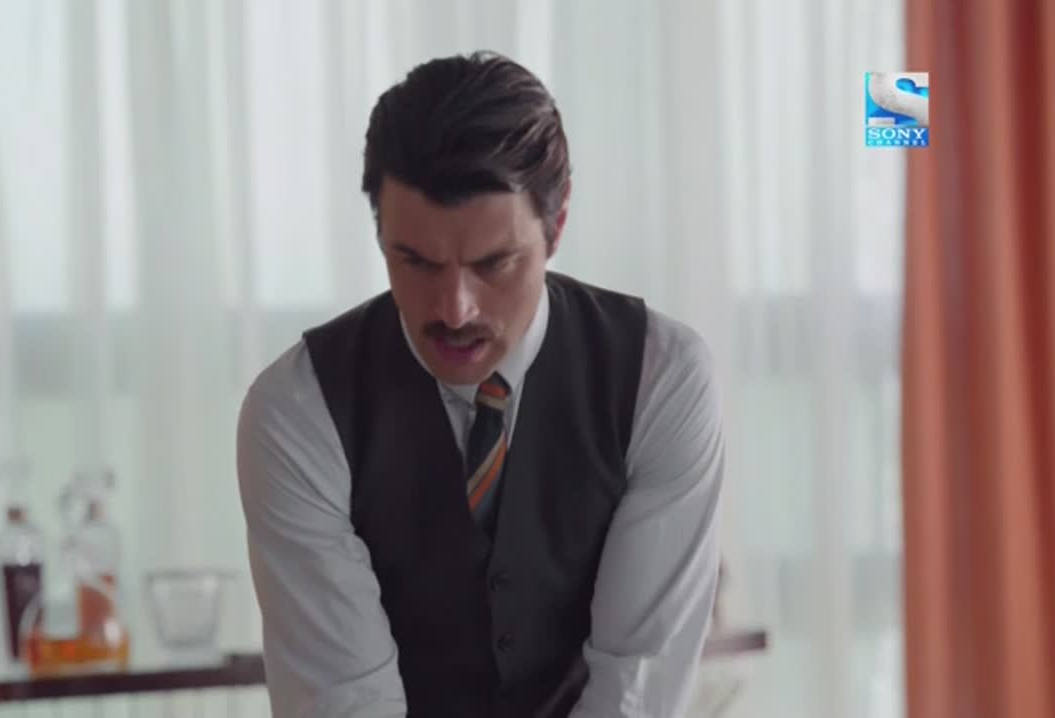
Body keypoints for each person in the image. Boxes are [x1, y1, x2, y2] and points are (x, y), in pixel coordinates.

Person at [236, 51, 724, 718]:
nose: (455, 309)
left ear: (558, 222)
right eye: (416, 262)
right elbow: (344, 701)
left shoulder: (660, 379)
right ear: (379, 231)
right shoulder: (298, 411)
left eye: (494, 263)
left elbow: (637, 687)